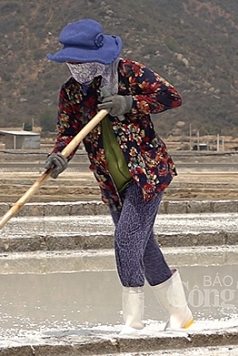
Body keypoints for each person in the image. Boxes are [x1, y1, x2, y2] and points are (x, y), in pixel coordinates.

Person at [44, 19, 193, 333]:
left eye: (79, 61)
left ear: (98, 57)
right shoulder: (71, 92)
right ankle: (181, 316)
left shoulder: (129, 74)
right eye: (70, 62)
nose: (75, 67)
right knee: (144, 246)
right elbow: (68, 134)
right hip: (112, 183)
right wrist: (60, 156)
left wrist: (130, 103)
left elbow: (171, 97)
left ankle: (133, 323)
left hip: (146, 174)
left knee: (126, 242)